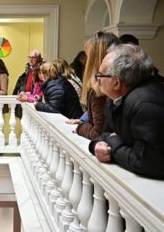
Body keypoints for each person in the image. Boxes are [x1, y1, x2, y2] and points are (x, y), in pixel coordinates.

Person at [89, 44, 164, 179]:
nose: (97, 78)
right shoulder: (114, 98)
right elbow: (106, 133)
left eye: (100, 74)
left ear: (116, 83)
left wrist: (114, 144)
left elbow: (147, 162)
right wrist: (96, 145)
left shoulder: (145, 105)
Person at [66, 31, 120, 140]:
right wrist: (84, 120)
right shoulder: (112, 83)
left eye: (88, 56)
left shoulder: (100, 89)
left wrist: (80, 127)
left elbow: (98, 133)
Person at [13, 49, 43, 118]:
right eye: (29, 57)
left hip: (35, 103)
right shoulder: (29, 70)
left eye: (33, 57)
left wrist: (29, 95)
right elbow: (25, 85)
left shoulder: (41, 71)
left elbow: (39, 92)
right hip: (27, 101)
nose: (31, 59)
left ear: (38, 58)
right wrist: (23, 91)